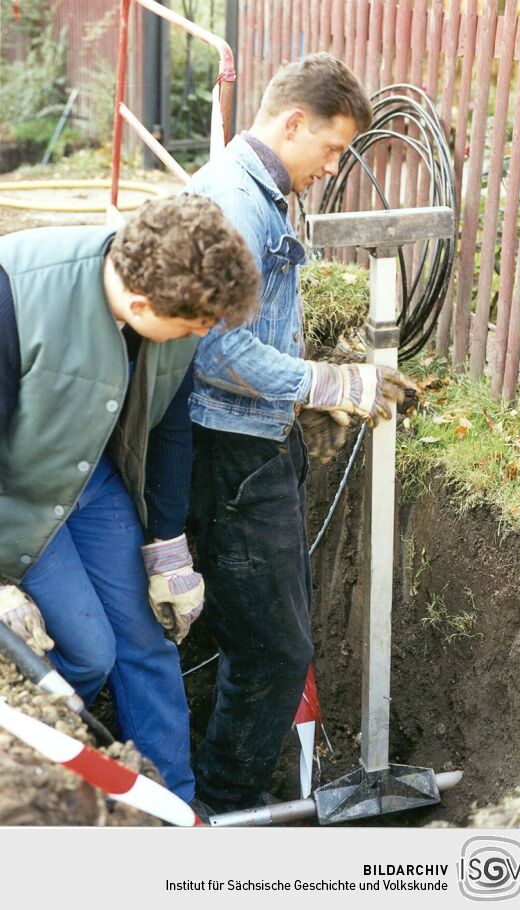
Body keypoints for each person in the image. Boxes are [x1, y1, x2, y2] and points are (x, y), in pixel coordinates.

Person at [184, 52, 416, 812]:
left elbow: (254, 327)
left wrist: (308, 381)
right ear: (291, 123)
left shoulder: (261, 193)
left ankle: (230, 794)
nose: (333, 166)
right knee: (275, 652)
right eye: (330, 148)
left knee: (268, 640)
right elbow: (214, 347)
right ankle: (228, 809)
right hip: (234, 452)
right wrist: (329, 382)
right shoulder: (234, 203)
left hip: (257, 439)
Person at [0, 195, 259, 803]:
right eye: (195, 327)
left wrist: (167, 548)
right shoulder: (17, 291)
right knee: (88, 653)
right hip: (18, 497)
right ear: (141, 305)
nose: (201, 335)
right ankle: (45, 787)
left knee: (149, 636)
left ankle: (171, 802)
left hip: (87, 481)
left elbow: (169, 427)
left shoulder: (175, 299)